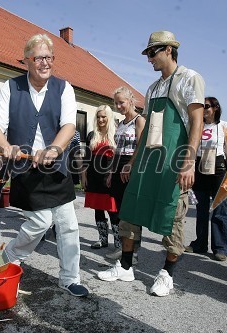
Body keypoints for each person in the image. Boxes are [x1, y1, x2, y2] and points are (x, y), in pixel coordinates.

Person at [97, 30, 205, 298]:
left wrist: (189, 161)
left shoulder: (189, 78)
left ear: (169, 50)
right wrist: (132, 162)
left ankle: (167, 273)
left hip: (173, 161)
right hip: (148, 161)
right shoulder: (153, 87)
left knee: (173, 215)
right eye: (147, 54)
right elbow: (147, 131)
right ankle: (125, 266)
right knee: (132, 209)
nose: (149, 59)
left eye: (153, 52)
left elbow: (197, 121)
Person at [0, 34, 88, 297]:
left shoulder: (64, 87)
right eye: (39, 58)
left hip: (57, 169)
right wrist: (5, 146)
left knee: (68, 225)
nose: (45, 63)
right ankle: (11, 255)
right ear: (27, 61)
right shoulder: (11, 87)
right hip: (25, 168)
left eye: (49, 57)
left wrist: (54, 149)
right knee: (41, 221)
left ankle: (69, 278)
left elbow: (68, 125)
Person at [185, 96, 227, 261]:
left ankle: (220, 248)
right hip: (200, 169)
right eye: (201, 107)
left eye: (206, 107)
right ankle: (200, 244)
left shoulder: (224, 126)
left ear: (215, 108)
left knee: (219, 210)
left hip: (218, 169)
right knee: (201, 210)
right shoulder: (196, 126)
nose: (203, 110)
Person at [104, 87, 146, 260]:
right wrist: (109, 172)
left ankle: (134, 252)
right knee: (120, 210)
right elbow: (116, 150)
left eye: (121, 102)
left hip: (131, 167)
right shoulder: (121, 123)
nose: (118, 106)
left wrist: (130, 164)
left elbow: (141, 146)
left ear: (130, 101)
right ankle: (124, 248)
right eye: (116, 102)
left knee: (132, 211)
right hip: (117, 168)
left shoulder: (139, 120)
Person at [81, 105, 117, 249]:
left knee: (113, 210)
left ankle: (119, 243)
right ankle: (102, 240)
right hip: (93, 176)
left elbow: (118, 158)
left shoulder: (115, 134)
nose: (101, 119)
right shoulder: (91, 135)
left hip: (108, 176)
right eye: (98, 116)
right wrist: (83, 175)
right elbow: (86, 158)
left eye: (104, 116)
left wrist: (112, 174)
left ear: (109, 117)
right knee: (98, 209)